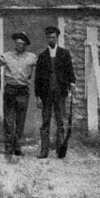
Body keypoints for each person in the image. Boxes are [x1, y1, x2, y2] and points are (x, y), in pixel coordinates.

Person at [34, 25, 76, 158]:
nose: (51, 39)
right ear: (46, 39)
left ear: (57, 38)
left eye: (53, 37)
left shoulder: (64, 54)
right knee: (45, 122)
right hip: (46, 94)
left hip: (60, 93)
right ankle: (44, 150)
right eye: (49, 37)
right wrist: (38, 96)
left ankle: (60, 150)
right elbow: (38, 78)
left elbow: (70, 72)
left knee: (60, 121)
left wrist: (72, 84)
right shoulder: (42, 56)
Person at [0, 32, 37, 156]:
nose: (19, 45)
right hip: (10, 90)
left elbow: (44, 67)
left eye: (22, 44)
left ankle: (17, 147)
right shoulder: (7, 56)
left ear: (26, 45)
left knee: (20, 120)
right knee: (9, 120)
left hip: (23, 91)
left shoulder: (31, 57)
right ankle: (8, 147)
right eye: (17, 43)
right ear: (14, 44)